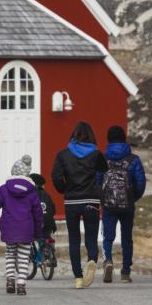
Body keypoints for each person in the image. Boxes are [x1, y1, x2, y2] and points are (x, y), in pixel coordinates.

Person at [0, 155, 44, 296]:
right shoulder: (32, 192)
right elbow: (38, 214)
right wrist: (38, 233)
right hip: (26, 230)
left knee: (10, 254)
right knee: (23, 257)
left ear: (13, 171)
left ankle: (10, 281)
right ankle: (21, 285)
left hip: (9, 228)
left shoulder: (4, 189)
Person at [51, 121, 107, 289]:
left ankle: (78, 277)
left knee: (74, 239)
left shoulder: (63, 154)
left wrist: (64, 189)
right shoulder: (96, 154)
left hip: (72, 201)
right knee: (91, 237)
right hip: (91, 200)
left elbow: (55, 177)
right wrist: (96, 188)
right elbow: (104, 170)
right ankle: (91, 260)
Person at [100, 125, 146, 284]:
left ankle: (108, 261)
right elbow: (140, 183)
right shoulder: (133, 159)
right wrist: (133, 197)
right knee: (127, 238)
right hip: (128, 204)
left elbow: (97, 181)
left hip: (108, 204)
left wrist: (103, 199)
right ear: (124, 138)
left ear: (108, 139)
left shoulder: (103, 159)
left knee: (108, 237)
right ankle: (125, 272)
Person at [28, 173, 58, 242]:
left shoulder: (28, 194)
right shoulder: (46, 195)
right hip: (48, 225)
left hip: (34, 226)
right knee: (46, 239)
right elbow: (53, 210)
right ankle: (48, 248)